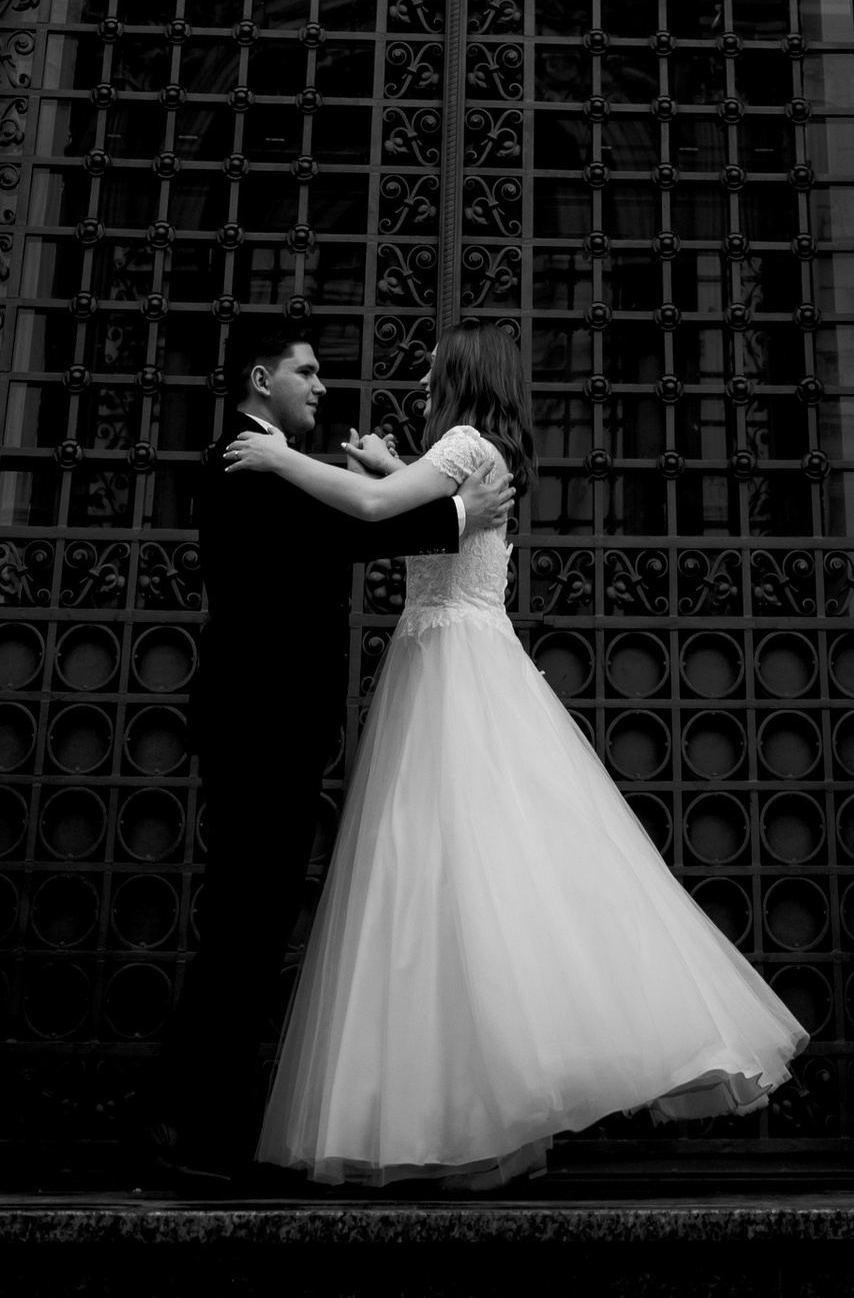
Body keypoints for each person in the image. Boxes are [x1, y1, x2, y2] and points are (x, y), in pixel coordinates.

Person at [225, 321, 806, 1187]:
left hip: (453, 678)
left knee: (453, 872)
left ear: (462, 378)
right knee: (453, 878)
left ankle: (462, 1105)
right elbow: (414, 507)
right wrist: (386, 466)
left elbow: (382, 513)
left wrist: (279, 462)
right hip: (447, 665)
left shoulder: (463, 444)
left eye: (431, 375)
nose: (421, 389)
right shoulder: (478, 454)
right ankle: (468, 1102)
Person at [152, 313, 470, 1182]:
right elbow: (350, 533)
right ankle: (192, 1132)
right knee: (244, 926)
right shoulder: (241, 462)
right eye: (308, 372)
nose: (322, 386)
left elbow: (337, 515)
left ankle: (203, 1126)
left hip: (274, 729)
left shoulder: (271, 463)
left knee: (250, 924)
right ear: (262, 380)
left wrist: (380, 473)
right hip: (260, 728)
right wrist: (457, 513)